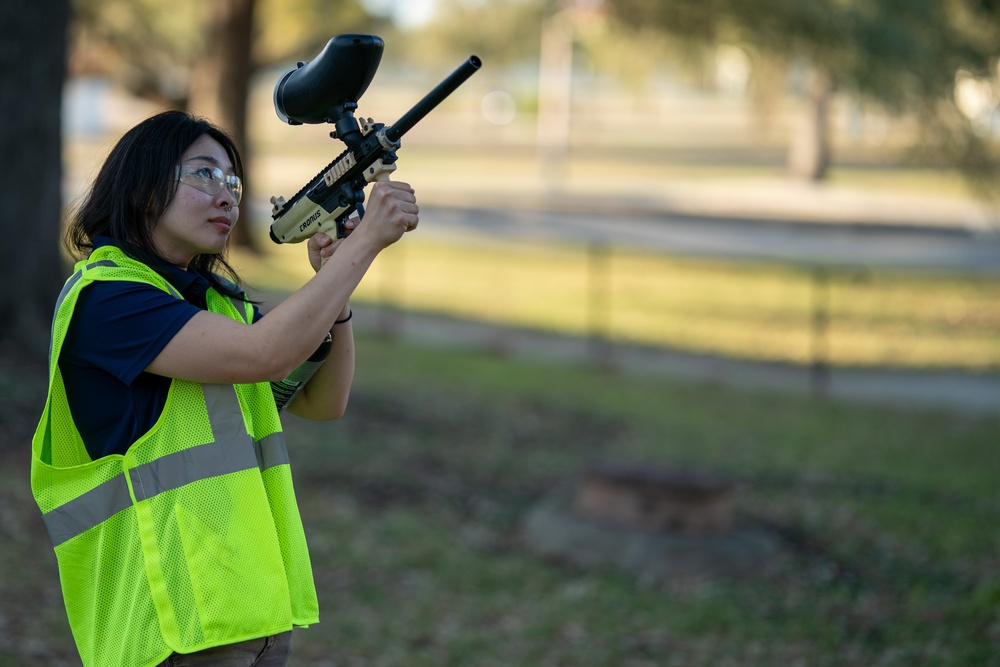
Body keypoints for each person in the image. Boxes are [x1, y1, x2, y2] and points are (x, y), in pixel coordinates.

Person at [30, 110, 419, 667]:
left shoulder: (214, 304)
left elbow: (324, 402)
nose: (227, 196)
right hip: (171, 622)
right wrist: (364, 248)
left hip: (246, 612)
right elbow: (264, 354)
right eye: (204, 175)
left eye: (233, 182)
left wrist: (337, 286)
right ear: (141, 188)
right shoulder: (108, 299)